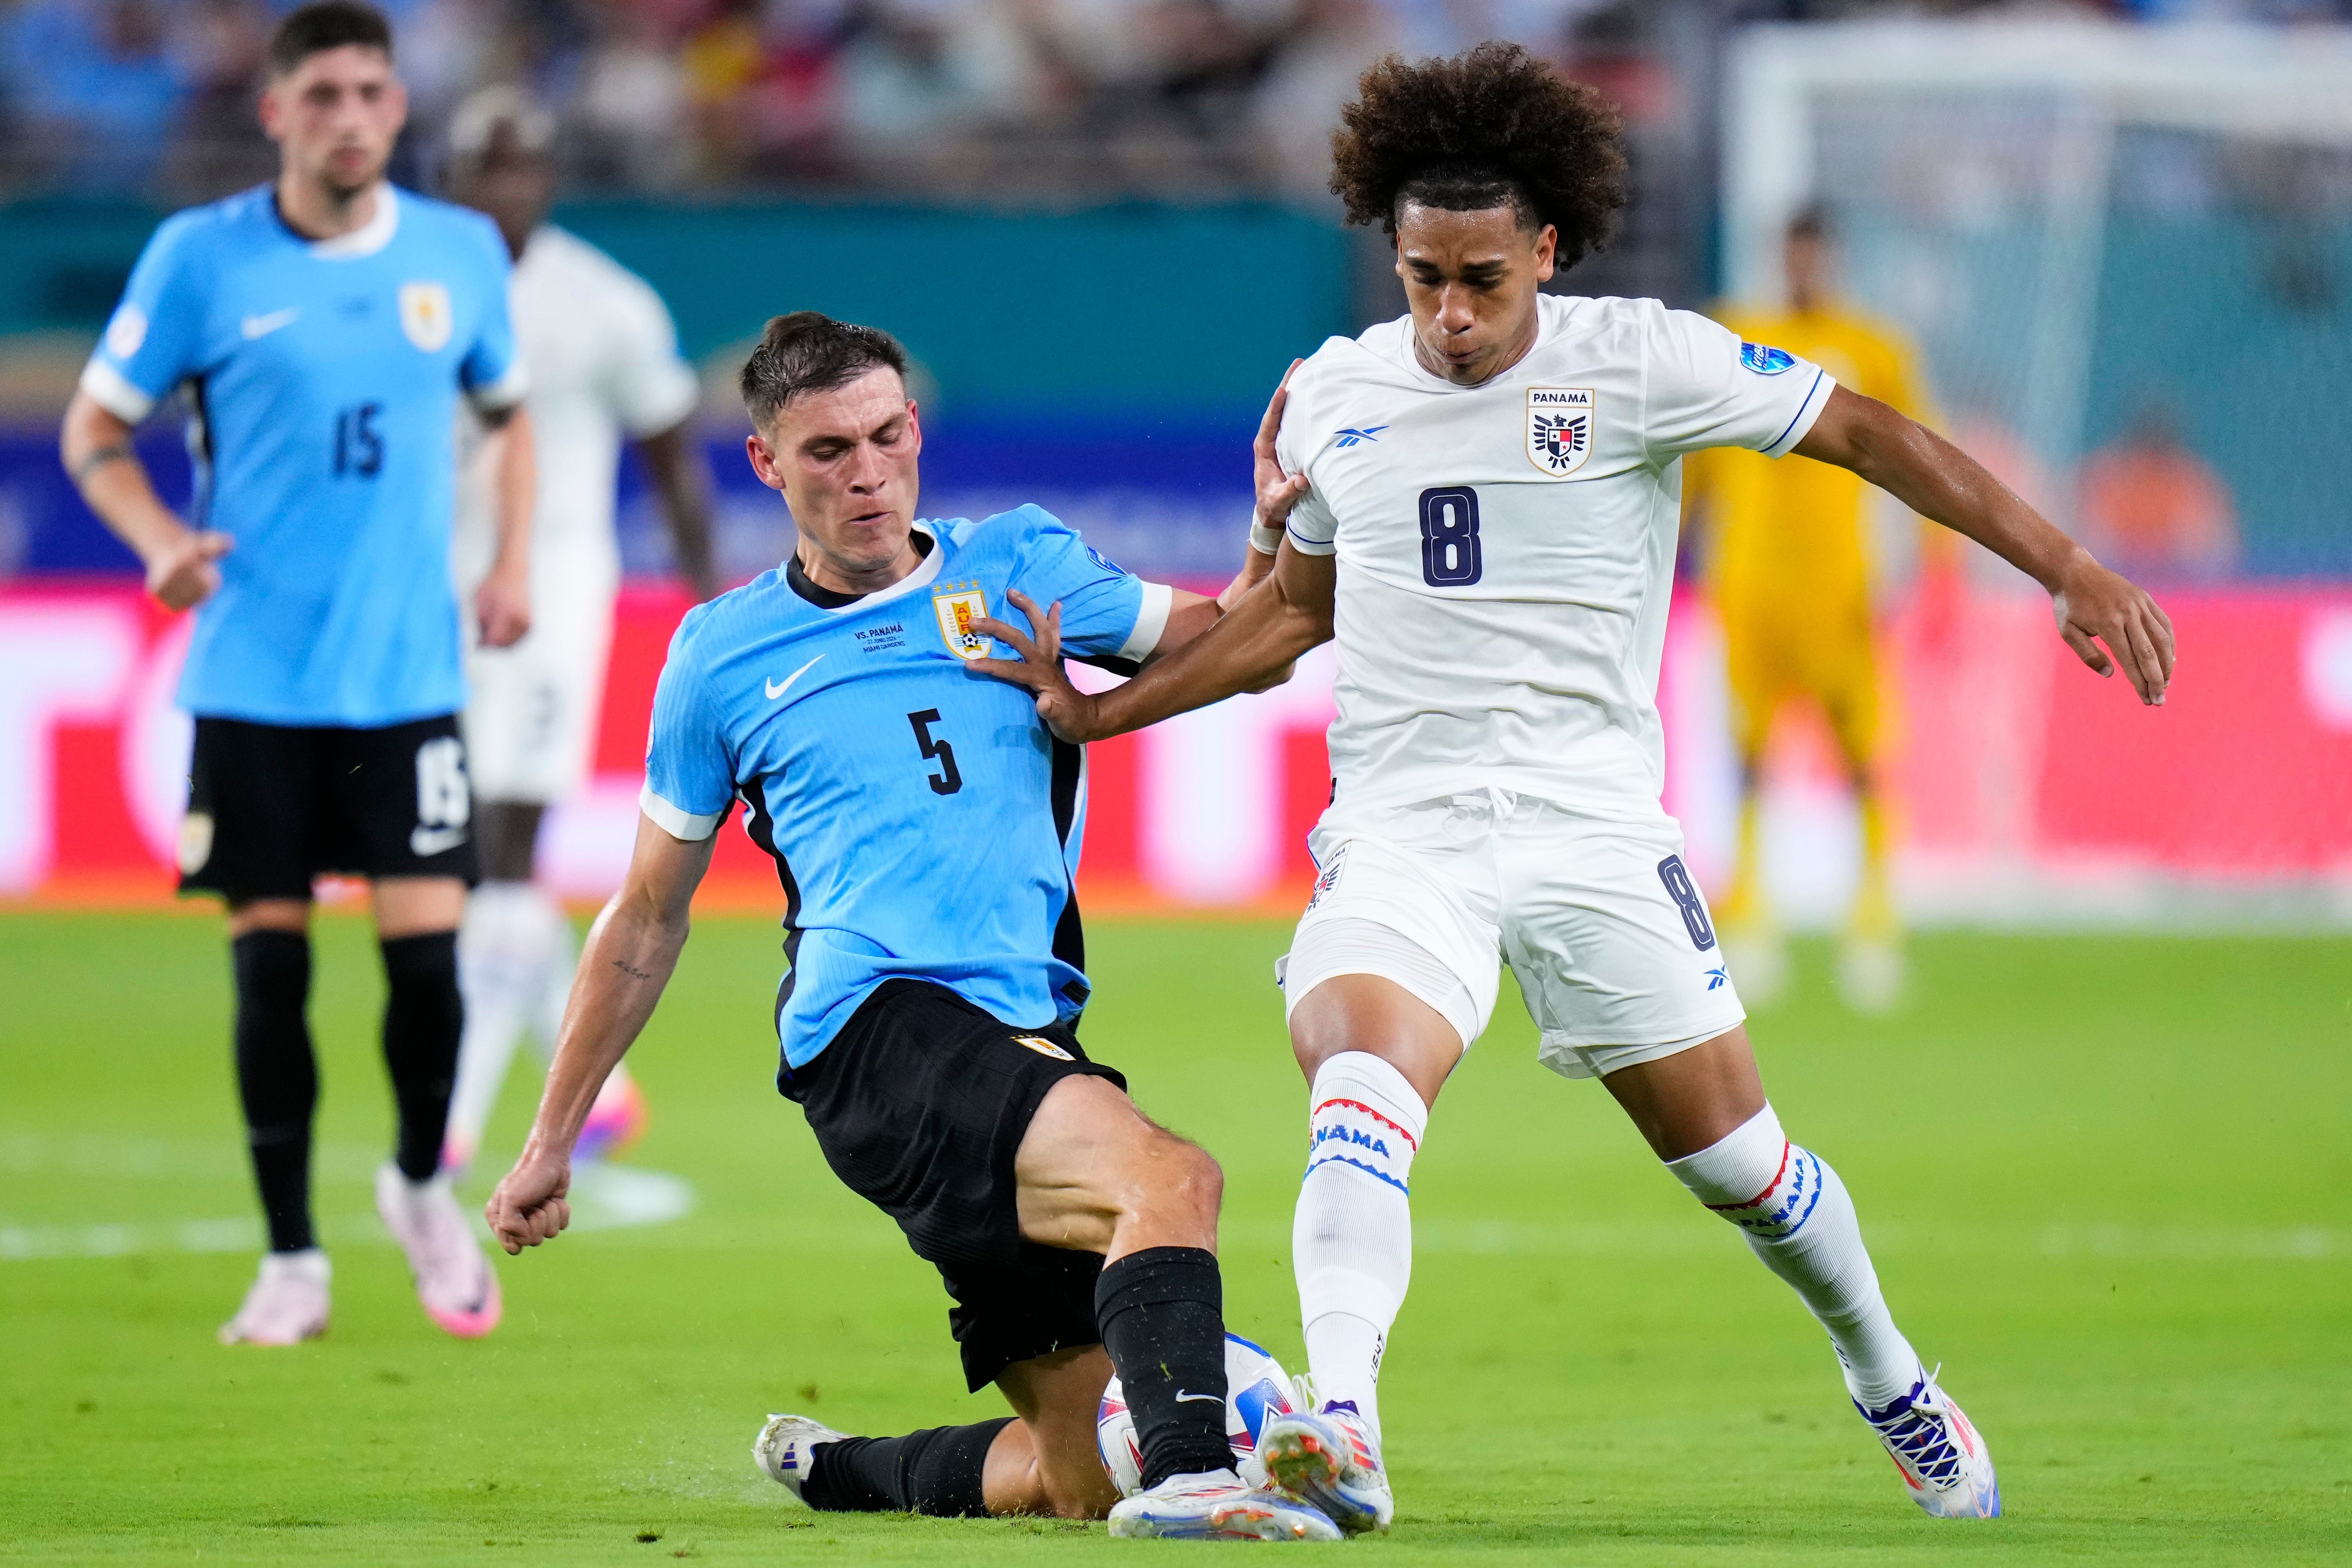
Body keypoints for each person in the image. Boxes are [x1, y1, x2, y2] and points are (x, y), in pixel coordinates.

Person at [974, 43, 2175, 1532]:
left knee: (1744, 1167)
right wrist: (1102, 713)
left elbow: (1860, 431)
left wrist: (2064, 565)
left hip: (1592, 829)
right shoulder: (1338, 395)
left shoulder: (1640, 360)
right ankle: (1341, 1426)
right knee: (1354, 1079)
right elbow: (1292, 613)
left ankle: (1887, 1377)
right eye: (1421, 277)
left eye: (1481, 276)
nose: (1452, 314)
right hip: (1405, 826)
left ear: (1545, 246)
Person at [482, 312, 1340, 1541]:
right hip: (873, 1032)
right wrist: (550, 1137)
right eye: (827, 450)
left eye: (887, 437)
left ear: (917, 431)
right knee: (1169, 1175)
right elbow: (644, 916)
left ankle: (844, 1468)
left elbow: (1246, 650)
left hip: (1025, 1036)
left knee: (1071, 1471)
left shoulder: (1015, 566)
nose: (867, 472)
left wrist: (1269, 533)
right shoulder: (720, 658)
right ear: (767, 462)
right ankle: (1202, 1476)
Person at [57, 0, 533, 1346]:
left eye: (371, 92)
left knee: (428, 969)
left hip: (406, 672)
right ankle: (288, 1258)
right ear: (275, 113)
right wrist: (156, 537)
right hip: (255, 674)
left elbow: (510, 417)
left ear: (399, 108)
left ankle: (418, 1181)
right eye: (320, 93)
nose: (349, 116)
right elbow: (97, 426)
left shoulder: (457, 255)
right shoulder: (199, 258)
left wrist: (508, 565)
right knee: (269, 973)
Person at [438, 86, 720, 1178]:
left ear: (548, 178)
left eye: (522, 168)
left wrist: (710, 601)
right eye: (484, 167)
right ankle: (608, 1095)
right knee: (458, 848)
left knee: (503, 843)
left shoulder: (605, 303)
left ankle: (454, 1120)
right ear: (453, 177)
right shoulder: (414, 290)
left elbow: (670, 458)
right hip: (432, 597)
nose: (504, 188)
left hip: (553, 592)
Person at [1684, 204, 1938, 1011]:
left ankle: (1871, 924)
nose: (1803, 268)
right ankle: (1752, 918)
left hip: (1841, 587)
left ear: (1831, 259)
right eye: (1793, 254)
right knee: (1747, 757)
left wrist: (1937, 562)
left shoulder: (1873, 348)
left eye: (1815, 255)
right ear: (1777, 257)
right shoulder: (1734, 337)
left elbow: (1920, 454)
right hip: (1749, 583)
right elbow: (1689, 460)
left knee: (1861, 754)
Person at [2075, 403, 2238, 583]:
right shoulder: (2105, 480)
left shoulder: (2193, 485)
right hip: (2115, 582)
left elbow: (2217, 550)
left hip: (2179, 588)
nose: (2151, 465)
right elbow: (2088, 542)